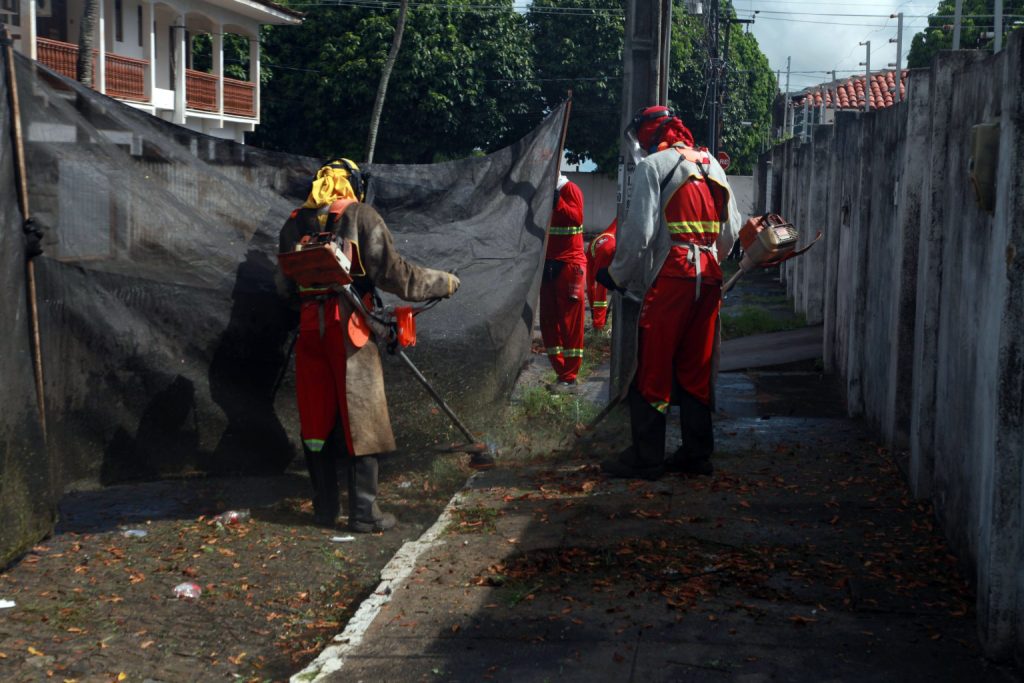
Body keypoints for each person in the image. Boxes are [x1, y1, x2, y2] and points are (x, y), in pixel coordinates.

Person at [278, 159, 460, 532]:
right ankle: (364, 513)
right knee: (363, 419)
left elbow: (285, 287)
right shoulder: (361, 215)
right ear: (354, 185)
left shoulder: (294, 222)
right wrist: (443, 282)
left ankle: (324, 510)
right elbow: (395, 274)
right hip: (350, 329)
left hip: (310, 330)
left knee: (315, 426)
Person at [597, 107, 740, 480]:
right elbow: (730, 234)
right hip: (709, 279)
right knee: (696, 368)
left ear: (650, 134)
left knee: (654, 370)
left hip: (673, 277)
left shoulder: (654, 166)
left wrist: (616, 275)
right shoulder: (714, 166)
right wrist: (711, 261)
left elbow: (640, 235)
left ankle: (647, 458)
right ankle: (696, 454)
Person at [540, 174, 586, 391]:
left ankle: (570, 376)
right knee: (548, 322)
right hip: (548, 264)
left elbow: (576, 217)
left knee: (570, 323)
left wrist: (558, 202)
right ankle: (562, 374)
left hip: (570, 265)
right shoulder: (543, 192)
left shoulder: (570, 190)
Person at [586, 218, 617, 332]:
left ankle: (598, 323)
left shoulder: (591, 246)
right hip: (610, 244)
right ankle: (599, 323)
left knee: (599, 285)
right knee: (603, 285)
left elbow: (589, 285)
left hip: (599, 245)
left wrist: (593, 310)